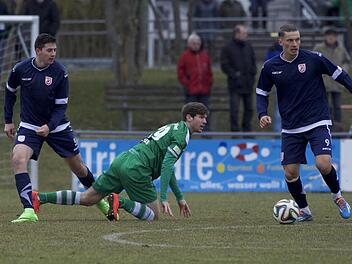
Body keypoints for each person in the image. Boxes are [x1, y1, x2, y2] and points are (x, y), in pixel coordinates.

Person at [32, 102, 209, 222]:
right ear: (189, 117)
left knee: (88, 198)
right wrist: (163, 198)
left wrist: (179, 197)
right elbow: (167, 166)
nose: (204, 121)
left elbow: (167, 167)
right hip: (138, 168)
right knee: (153, 216)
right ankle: (120, 202)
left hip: (124, 160)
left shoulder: (173, 127)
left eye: (205, 118)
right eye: (201, 117)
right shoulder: (182, 135)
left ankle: (40, 197)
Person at [3, 33, 109, 223]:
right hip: (29, 125)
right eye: (49, 50)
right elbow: (10, 91)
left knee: (79, 168)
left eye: (55, 50)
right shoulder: (20, 69)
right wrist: (8, 120)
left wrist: (49, 127)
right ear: (38, 51)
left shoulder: (60, 72)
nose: (53, 54)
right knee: (18, 159)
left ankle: (99, 199)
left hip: (57, 126)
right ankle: (28, 210)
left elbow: (61, 106)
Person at [256, 24, 352, 221]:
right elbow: (261, 93)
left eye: (297, 39)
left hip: (317, 120)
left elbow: (340, 75)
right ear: (280, 41)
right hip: (291, 126)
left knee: (323, 163)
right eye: (290, 40)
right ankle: (304, 210)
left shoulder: (314, 59)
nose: (295, 44)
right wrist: (262, 114)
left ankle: (338, 197)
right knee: (290, 173)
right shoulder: (270, 67)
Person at [313, 27, 351, 131]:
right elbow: (312, 62)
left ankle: (338, 126)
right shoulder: (319, 48)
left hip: (337, 83)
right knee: (326, 105)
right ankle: (327, 124)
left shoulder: (341, 48)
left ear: (336, 37)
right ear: (325, 37)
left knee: (337, 106)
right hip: (323, 82)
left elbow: (347, 61)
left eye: (333, 36)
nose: (331, 38)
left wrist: (344, 71)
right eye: (329, 35)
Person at [220, 25, 257, 132]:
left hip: (248, 84)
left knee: (249, 109)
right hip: (235, 85)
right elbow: (224, 65)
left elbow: (253, 62)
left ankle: (247, 131)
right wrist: (235, 75)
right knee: (235, 110)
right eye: (244, 33)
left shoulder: (248, 46)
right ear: (237, 34)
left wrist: (253, 73)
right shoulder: (228, 47)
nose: (246, 35)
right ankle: (234, 132)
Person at [177, 33, 212, 130]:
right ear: (189, 44)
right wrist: (187, 84)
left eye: (198, 43)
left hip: (204, 90)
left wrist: (208, 84)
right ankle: (187, 133)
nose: (196, 45)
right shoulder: (185, 56)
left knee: (205, 112)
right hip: (191, 90)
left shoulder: (205, 56)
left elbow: (209, 72)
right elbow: (180, 72)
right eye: (194, 43)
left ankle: (206, 133)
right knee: (190, 114)